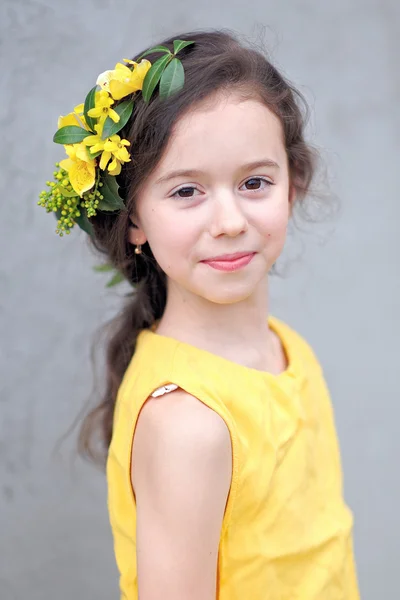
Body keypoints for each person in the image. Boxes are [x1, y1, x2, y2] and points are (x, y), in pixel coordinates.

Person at [40, 29, 360, 600]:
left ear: (294, 184)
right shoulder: (189, 425)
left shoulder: (285, 349)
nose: (231, 220)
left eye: (255, 182)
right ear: (133, 217)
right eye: (187, 191)